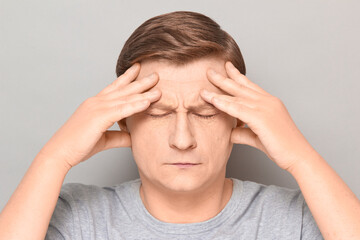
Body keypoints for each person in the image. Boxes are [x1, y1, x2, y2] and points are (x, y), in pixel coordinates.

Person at [0, 10, 359, 240]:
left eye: (205, 113)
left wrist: (301, 157)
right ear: (123, 120)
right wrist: (54, 157)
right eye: (158, 114)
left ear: (240, 118)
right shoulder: (75, 216)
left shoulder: (295, 219)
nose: (183, 139)